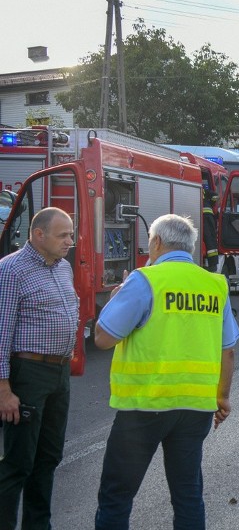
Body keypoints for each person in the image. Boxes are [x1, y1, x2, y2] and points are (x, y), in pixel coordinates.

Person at [93, 214, 239, 530]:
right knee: (188, 497)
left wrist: (114, 298)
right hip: (195, 409)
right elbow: (227, 349)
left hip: (143, 407)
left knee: (116, 498)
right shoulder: (215, 285)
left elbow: (103, 338)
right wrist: (222, 397)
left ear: (157, 242)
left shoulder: (145, 280)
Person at [0, 207, 78, 529]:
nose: (70, 242)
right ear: (38, 235)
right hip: (27, 374)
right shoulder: (11, 270)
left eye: (71, 235)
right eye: (63, 235)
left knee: (48, 459)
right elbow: (1, 334)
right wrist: (3, 390)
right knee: (19, 462)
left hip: (59, 375)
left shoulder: (63, 268)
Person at [201, 187, 219, 272]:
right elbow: (215, 196)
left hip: (200, 214)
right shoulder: (204, 189)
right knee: (210, 239)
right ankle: (213, 264)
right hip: (208, 215)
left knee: (207, 238)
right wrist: (211, 203)